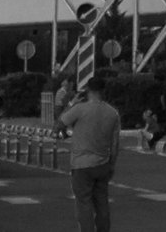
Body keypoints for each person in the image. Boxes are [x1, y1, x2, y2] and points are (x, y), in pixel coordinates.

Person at [58, 77, 121, 232]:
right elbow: (115, 144)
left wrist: (72, 103)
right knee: (102, 203)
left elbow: (59, 124)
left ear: (88, 90)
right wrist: (111, 165)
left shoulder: (79, 109)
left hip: (81, 165)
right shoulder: (113, 113)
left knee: (84, 203)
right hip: (102, 164)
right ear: (103, 91)